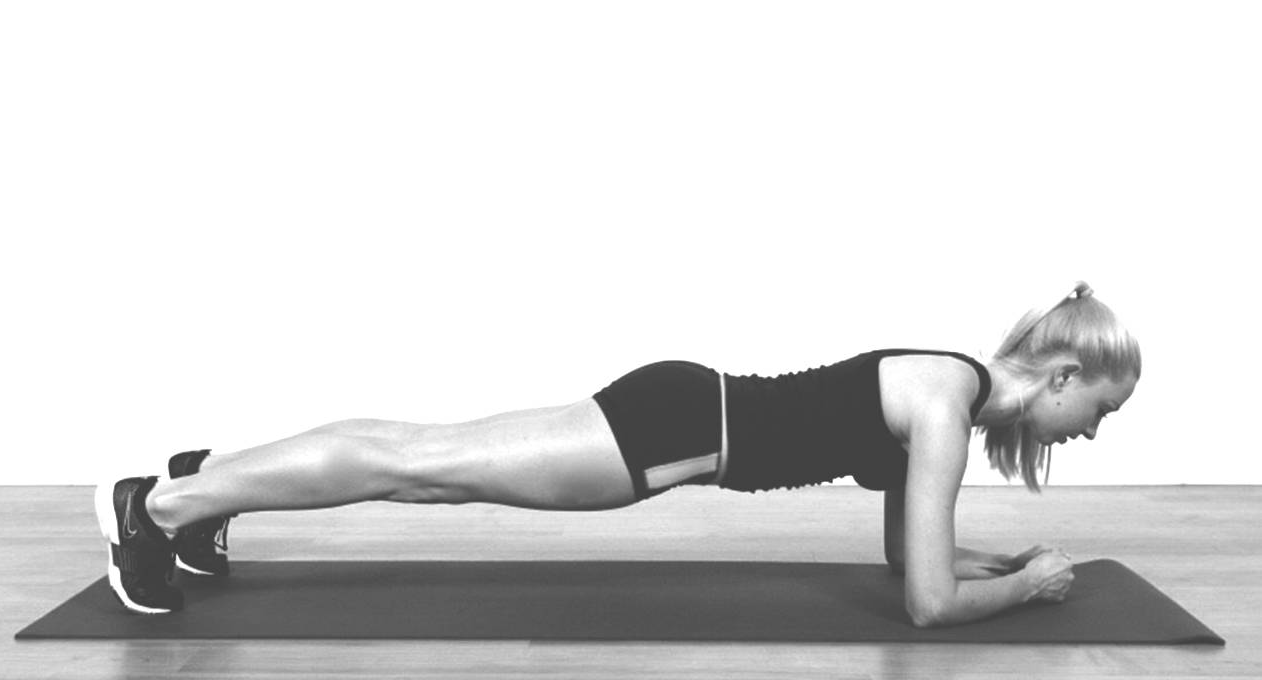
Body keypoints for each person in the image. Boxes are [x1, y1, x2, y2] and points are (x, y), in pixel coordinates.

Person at [96, 280, 1140, 628]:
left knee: (424, 458)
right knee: (421, 463)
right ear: (1060, 376)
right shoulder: (948, 408)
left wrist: (997, 564)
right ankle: (160, 508)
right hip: (669, 431)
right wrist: (1024, 587)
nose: (1089, 431)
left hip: (679, 412)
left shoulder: (947, 385)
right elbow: (925, 605)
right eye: (1097, 409)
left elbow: (909, 559)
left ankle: (204, 485)